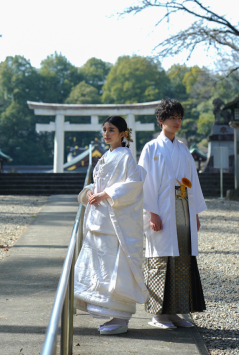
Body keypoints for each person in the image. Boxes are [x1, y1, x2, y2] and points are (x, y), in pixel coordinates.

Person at [74, 116, 149, 335]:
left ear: (123, 133)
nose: (107, 134)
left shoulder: (126, 157)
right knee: (100, 268)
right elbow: (98, 183)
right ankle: (106, 310)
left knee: (116, 268)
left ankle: (121, 317)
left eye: (112, 130)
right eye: (105, 130)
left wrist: (106, 194)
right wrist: (90, 192)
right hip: (99, 219)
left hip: (115, 223)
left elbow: (133, 185)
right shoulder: (106, 156)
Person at [139, 98, 206, 329]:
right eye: (172, 118)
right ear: (161, 121)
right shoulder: (151, 148)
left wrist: (194, 212)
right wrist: (152, 212)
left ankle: (175, 312)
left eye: (179, 118)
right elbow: (146, 182)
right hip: (160, 209)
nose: (177, 122)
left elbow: (191, 181)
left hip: (182, 208)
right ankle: (158, 314)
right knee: (160, 259)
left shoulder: (183, 148)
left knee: (182, 260)